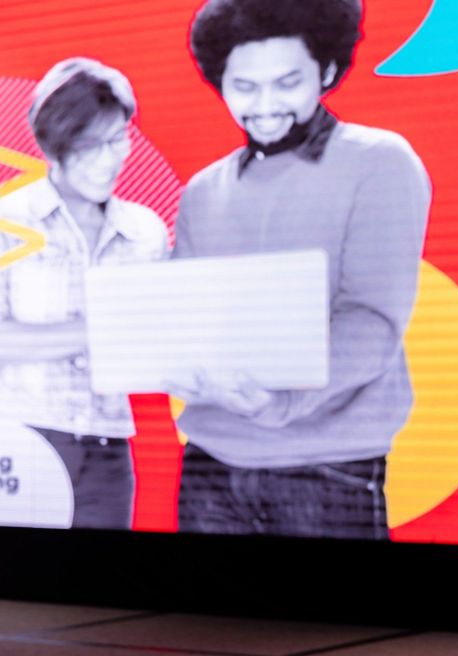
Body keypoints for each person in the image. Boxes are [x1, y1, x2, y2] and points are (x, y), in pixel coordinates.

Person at [170, 0, 431, 539]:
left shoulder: (380, 161)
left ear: (327, 71)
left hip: (327, 466)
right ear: (220, 83)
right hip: (209, 463)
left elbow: (372, 322)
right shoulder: (202, 190)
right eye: (244, 87)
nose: (265, 106)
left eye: (287, 82)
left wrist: (281, 402)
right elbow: (188, 319)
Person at [0, 58, 170, 529]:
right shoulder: (2, 218)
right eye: (89, 146)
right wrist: (104, 329)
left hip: (108, 448)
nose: (109, 159)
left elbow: (159, 343)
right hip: (17, 440)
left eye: (118, 139)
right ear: (55, 146)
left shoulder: (146, 231)